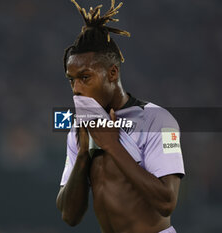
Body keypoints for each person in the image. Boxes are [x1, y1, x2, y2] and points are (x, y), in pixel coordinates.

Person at [56, 1, 185, 232]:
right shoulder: (79, 130)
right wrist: (84, 155)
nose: (76, 88)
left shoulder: (158, 120)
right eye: (71, 80)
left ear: (112, 73)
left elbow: (167, 202)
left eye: (85, 78)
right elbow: (69, 215)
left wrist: (112, 146)